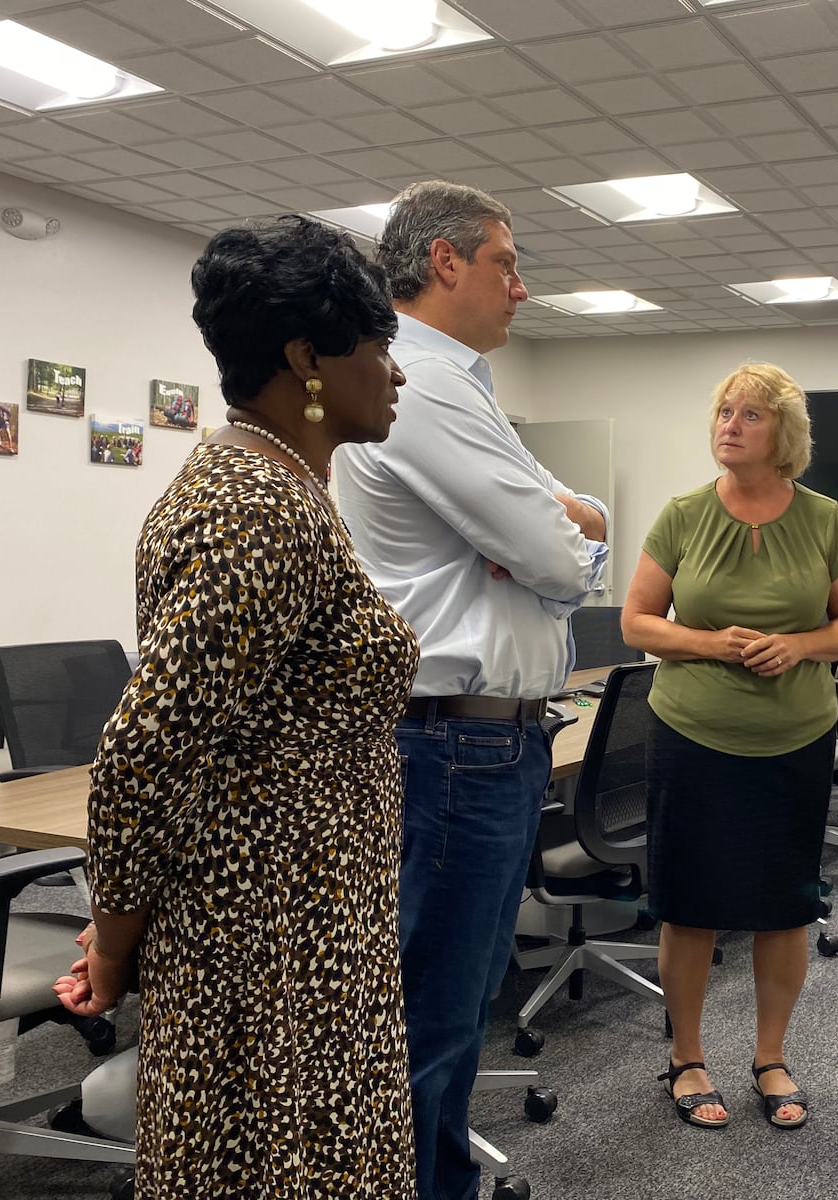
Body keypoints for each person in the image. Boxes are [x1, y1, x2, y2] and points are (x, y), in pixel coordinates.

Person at [53, 215, 418, 1200]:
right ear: (306, 358)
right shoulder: (253, 506)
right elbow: (143, 752)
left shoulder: (282, 486)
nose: (396, 372)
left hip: (307, 920)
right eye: (378, 345)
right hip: (260, 938)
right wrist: (115, 943)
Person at [337, 180, 610, 1200]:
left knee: (453, 1012)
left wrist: (563, 532)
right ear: (443, 261)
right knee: (431, 1019)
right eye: (506, 261)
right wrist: (563, 533)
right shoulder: (422, 379)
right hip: (453, 745)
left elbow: (572, 529)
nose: (522, 286)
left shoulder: (465, 383)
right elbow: (559, 545)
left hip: (485, 744)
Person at [620, 363, 838, 1131]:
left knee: (782, 906)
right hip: (694, 737)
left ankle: (770, 1056)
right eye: (724, 411)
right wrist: (711, 644)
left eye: (750, 414)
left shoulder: (823, 517)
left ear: (783, 434)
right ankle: (686, 1059)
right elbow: (637, 622)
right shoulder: (684, 515)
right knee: (691, 905)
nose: (729, 424)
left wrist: (798, 647)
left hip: (793, 740)